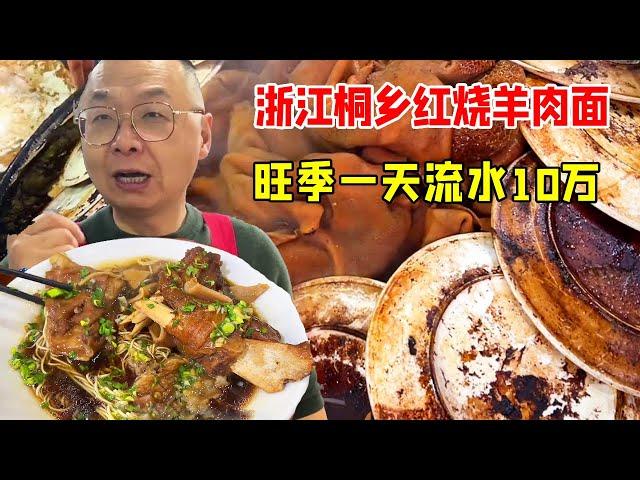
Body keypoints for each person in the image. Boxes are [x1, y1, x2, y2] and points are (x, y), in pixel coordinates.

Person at [2, 60, 326, 420]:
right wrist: (13, 275)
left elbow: (302, 404)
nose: (124, 141)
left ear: (203, 136)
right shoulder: (46, 257)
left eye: (154, 115)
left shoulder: (248, 248)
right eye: (101, 118)